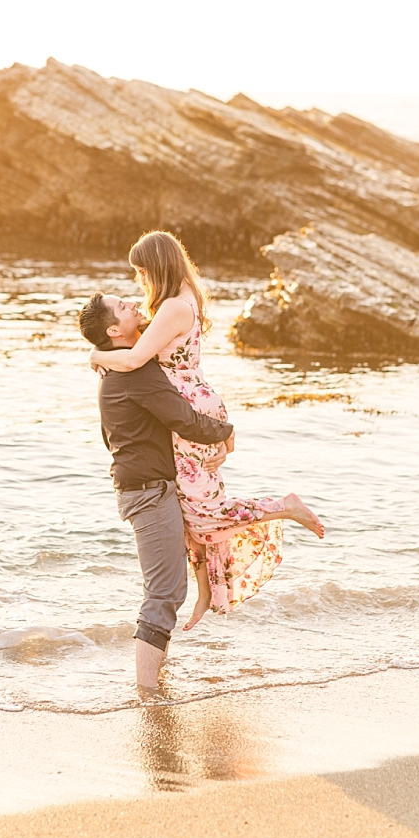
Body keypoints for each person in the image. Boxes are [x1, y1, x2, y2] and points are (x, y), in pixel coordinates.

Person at [89, 231, 324, 631]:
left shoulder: (172, 308)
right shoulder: (180, 301)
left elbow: (134, 359)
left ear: (158, 266)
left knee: (206, 512)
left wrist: (96, 353)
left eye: (142, 272)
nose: (139, 282)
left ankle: (283, 506)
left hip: (187, 411)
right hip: (189, 404)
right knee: (190, 512)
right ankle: (205, 591)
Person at [78, 291, 237, 689]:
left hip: (147, 488)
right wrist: (228, 432)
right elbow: (185, 420)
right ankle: (146, 691)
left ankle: (155, 679)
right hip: (148, 492)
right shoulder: (136, 373)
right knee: (164, 594)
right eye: (123, 307)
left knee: (168, 590)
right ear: (114, 330)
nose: (134, 304)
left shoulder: (122, 370)